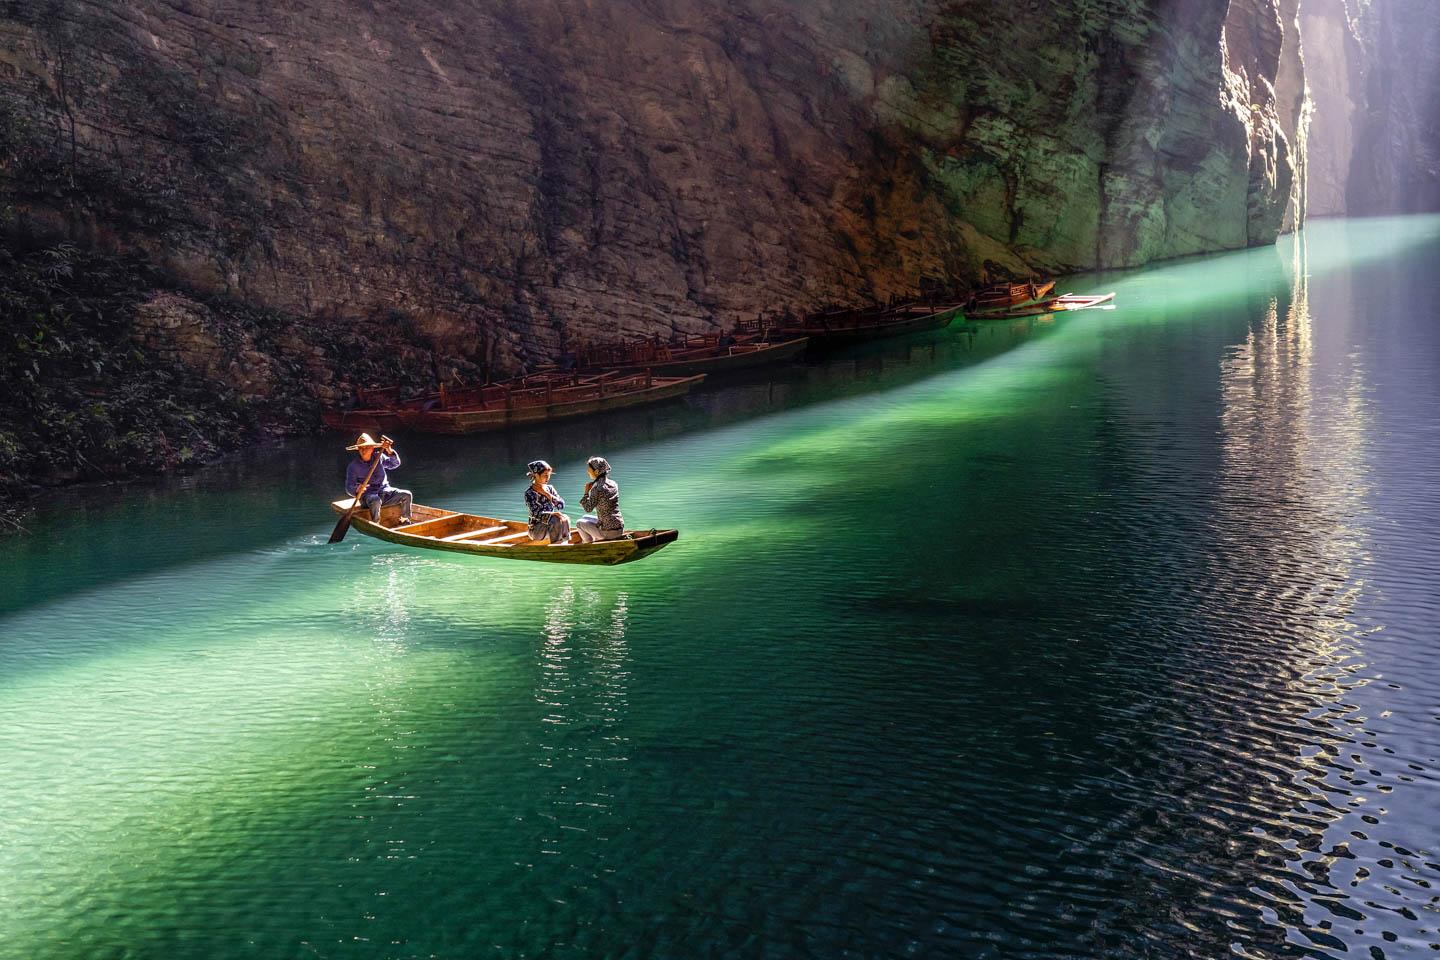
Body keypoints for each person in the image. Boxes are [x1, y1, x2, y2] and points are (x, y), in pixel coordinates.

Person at [345, 433, 412, 525]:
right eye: (361, 448)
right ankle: (376, 523)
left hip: (385, 493)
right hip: (368, 498)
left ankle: (404, 520)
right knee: (375, 500)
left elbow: (395, 464)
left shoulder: (379, 457)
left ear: (372, 448)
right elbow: (349, 487)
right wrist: (357, 489)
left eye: (366, 447)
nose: (363, 450)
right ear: (358, 450)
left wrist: (389, 450)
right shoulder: (353, 466)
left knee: (407, 495)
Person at [577, 456, 625, 543]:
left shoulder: (597, 488)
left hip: (609, 531)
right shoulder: (613, 483)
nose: (587, 471)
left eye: (589, 469)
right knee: (585, 517)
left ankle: (588, 545)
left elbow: (588, 509)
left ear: (596, 471)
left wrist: (586, 492)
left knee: (579, 523)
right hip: (619, 527)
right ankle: (597, 538)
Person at [525, 460, 572, 544]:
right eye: (545, 475)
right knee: (555, 519)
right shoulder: (529, 493)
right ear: (536, 475)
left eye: (549, 475)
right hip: (536, 531)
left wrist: (546, 494)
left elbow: (561, 506)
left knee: (565, 518)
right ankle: (557, 547)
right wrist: (552, 514)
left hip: (551, 526)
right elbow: (536, 514)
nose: (548, 478)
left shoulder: (550, 488)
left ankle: (564, 543)